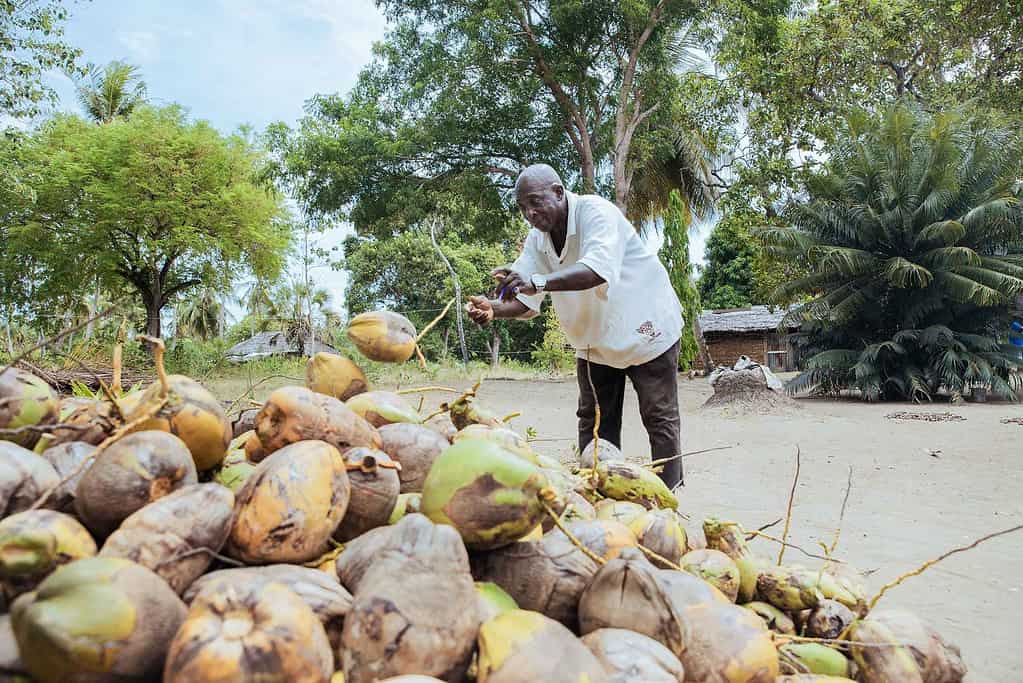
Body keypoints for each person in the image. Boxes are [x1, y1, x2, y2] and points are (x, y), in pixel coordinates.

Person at [466, 164, 685, 488]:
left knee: (658, 417)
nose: (530, 212)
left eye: (536, 202)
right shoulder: (537, 240)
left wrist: (536, 282)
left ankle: (668, 500)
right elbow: (525, 298)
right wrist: (493, 310)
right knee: (595, 422)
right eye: (523, 207)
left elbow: (595, 270)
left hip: (644, 327)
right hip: (595, 341)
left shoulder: (597, 214)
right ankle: (598, 493)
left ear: (558, 192)